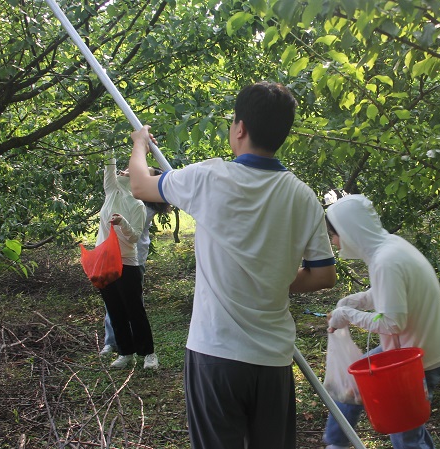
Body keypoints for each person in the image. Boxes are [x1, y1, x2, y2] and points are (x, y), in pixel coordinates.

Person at [128, 81, 337, 449]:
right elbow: (323, 275)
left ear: (239, 128)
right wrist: (273, 277)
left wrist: (139, 144)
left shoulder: (208, 177)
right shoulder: (303, 197)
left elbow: (140, 186)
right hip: (272, 358)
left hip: (215, 352)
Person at [321, 194, 440, 449]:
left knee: (404, 431)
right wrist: (357, 301)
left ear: (348, 231)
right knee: (354, 382)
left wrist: (347, 315)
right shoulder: (390, 247)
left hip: (417, 357)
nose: (334, 242)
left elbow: (393, 323)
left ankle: (336, 442)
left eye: (333, 235)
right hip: (417, 347)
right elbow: (391, 293)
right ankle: (336, 442)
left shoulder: (386, 260)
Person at [100, 167, 169, 370]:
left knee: (133, 308)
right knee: (114, 307)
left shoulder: (141, 204)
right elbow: (109, 171)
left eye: (140, 172)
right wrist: (107, 150)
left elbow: (133, 235)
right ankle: (122, 350)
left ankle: (147, 352)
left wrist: (122, 221)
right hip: (107, 259)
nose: (128, 172)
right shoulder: (114, 193)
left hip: (131, 260)